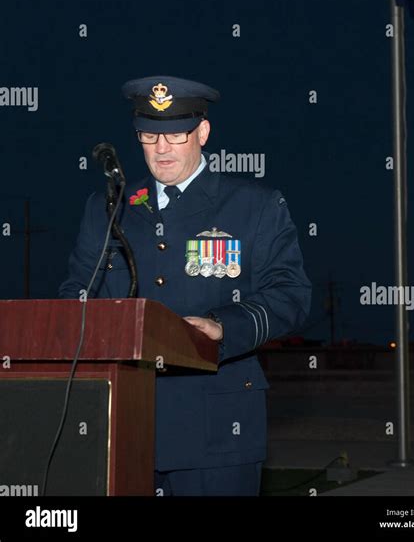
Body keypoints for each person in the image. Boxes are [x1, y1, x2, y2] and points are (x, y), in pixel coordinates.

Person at [59, 75, 312, 496]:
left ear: (203, 132)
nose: (161, 148)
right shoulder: (110, 207)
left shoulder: (255, 205)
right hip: (122, 424)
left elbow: (290, 294)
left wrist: (224, 326)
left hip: (216, 430)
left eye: (176, 134)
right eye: (149, 134)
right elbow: (76, 294)